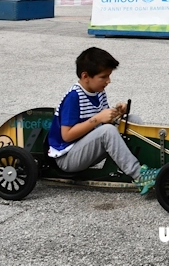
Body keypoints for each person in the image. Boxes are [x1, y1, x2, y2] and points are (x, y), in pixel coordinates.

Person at [46, 47, 159, 194]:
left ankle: (148, 164)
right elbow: (67, 135)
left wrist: (118, 113)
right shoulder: (74, 97)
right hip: (67, 157)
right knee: (108, 131)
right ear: (85, 76)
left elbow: (104, 121)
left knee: (132, 120)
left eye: (109, 76)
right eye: (104, 77)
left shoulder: (98, 92)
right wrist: (98, 118)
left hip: (85, 147)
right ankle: (139, 176)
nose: (108, 81)